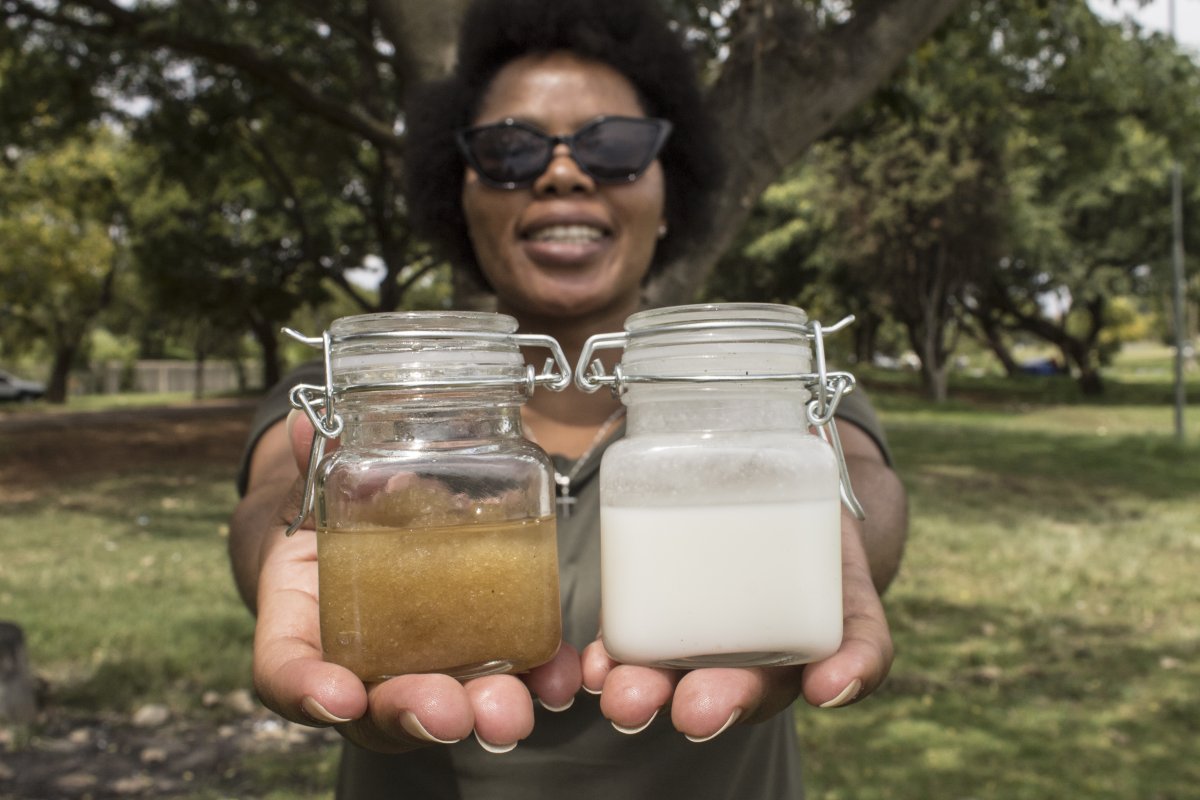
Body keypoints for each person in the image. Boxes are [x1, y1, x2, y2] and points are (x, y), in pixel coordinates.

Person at [229, 0, 908, 797]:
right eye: (510, 150)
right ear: (460, 193)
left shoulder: (757, 378)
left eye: (614, 146)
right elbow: (276, 491)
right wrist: (287, 540)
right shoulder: (370, 387)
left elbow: (863, 478)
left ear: (669, 184)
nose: (562, 172)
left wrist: (837, 530)